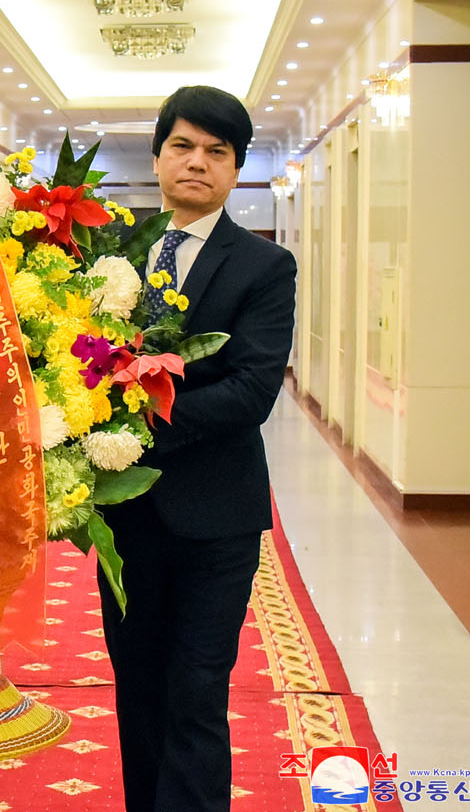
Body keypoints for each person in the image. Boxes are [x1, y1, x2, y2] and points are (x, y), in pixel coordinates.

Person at [99, 85, 298, 812]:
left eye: (217, 152)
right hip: (124, 521)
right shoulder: (107, 258)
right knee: (139, 688)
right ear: (156, 157)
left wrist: (130, 430)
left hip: (216, 519)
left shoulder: (263, 268)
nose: (197, 162)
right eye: (182, 145)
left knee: (196, 692)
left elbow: (251, 393)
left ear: (236, 170)